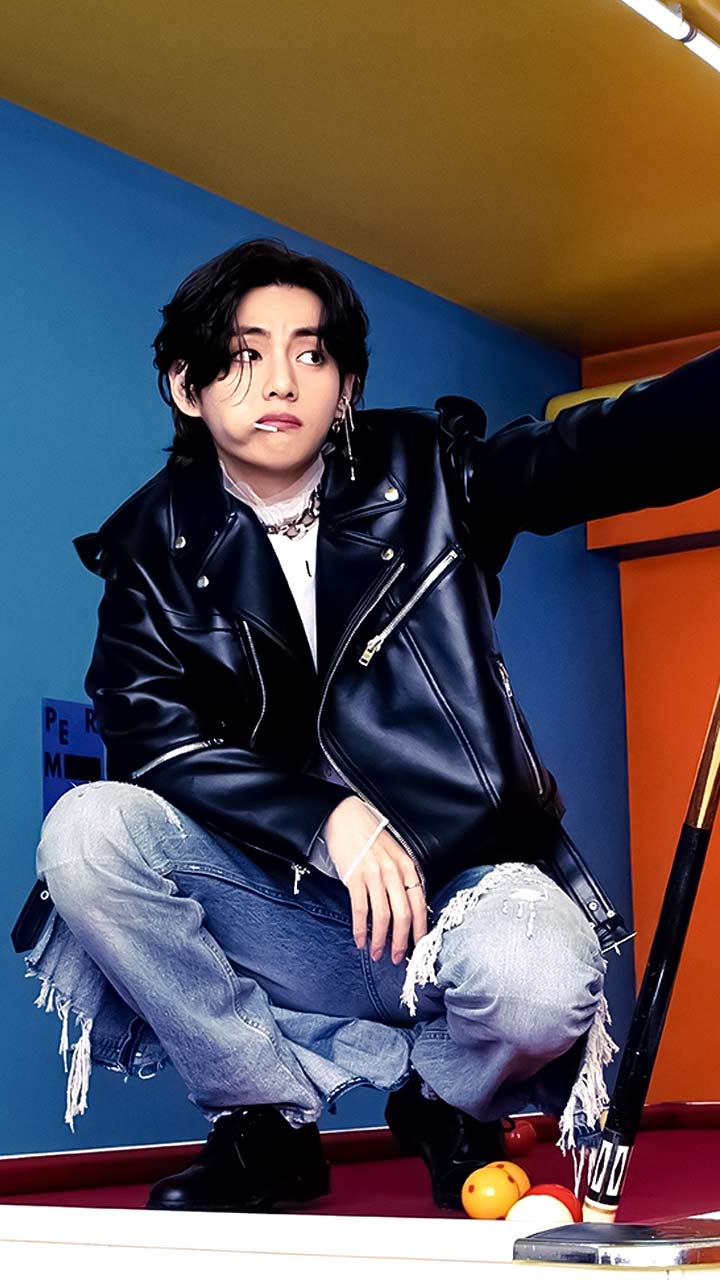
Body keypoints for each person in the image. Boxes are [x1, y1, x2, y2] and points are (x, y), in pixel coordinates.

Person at [14, 238, 720, 1214]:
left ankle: (445, 1099)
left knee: (541, 973)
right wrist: (327, 819)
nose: (280, 380)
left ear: (345, 386)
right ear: (186, 385)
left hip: (458, 900)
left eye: (312, 353)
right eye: (243, 353)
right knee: (87, 830)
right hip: (287, 909)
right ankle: (265, 1119)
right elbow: (150, 739)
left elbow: (597, 448)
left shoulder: (432, 470)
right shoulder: (149, 548)